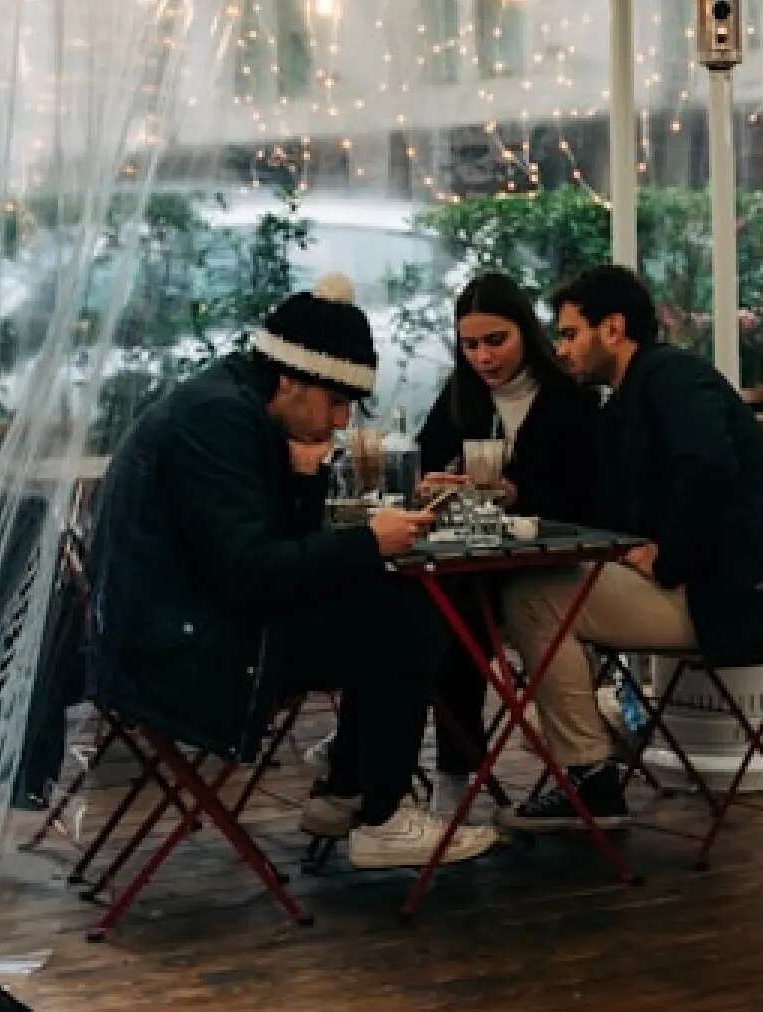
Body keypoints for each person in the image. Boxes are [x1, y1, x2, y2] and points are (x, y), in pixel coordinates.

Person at [87, 274, 499, 869]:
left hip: (181, 623)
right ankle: (380, 816)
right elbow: (251, 571)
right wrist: (366, 542)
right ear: (290, 379)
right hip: (178, 649)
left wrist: (305, 483)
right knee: (406, 613)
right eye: (334, 403)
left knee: (386, 597)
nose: (338, 423)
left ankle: (345, 793)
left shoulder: (233, 405)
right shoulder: (220, 423)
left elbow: (279, 550)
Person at [494, 264, 763, 831]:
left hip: (737, 597)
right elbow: (599, 504)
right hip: (714, 584)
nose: (561, 349)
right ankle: (595, 750)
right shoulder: (630, 395)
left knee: (531, 596)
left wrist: (668, 556)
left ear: (613, 328)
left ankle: (590, 776)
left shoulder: (673, 376)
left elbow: (708, 471)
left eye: (570, 333)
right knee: (525, 592)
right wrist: (510, 493)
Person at [413, 272, 603, 818]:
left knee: (449, 616)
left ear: (526, 332)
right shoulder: (459, 397)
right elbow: (432, 466)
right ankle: (385, 748)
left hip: (548, 564)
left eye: (496, 341)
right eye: (470, 344)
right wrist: (436, 486)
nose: (482, 357)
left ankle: (446, 770)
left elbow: (588, 495)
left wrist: (519, 491)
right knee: (421, 606)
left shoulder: (568, 401)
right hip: (475, 557)